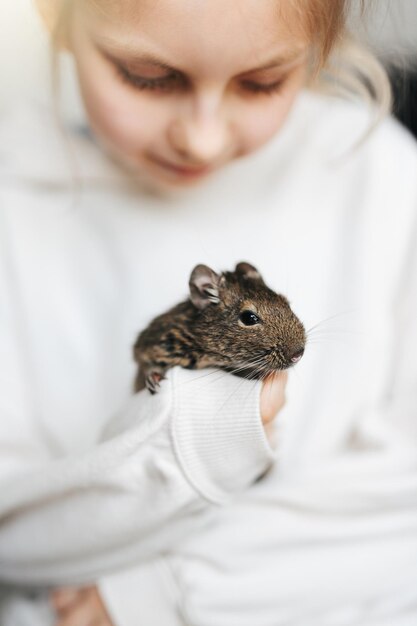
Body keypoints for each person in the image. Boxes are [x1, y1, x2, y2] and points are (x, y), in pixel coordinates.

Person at [0, 1, 416, 625]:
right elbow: (13, 534)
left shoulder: (380, 176)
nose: (203, 137)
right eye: (146, 76)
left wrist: (172, 587)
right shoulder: (17, 205)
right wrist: (193, 436)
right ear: (54, 17)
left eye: (262, 82)